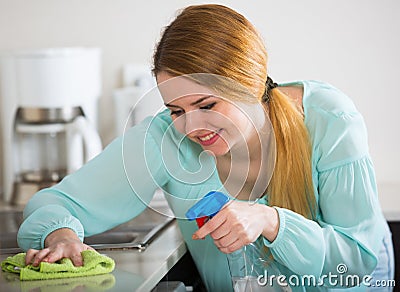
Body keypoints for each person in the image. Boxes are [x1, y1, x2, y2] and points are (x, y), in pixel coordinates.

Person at [17, 4, 394, 291]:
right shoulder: (165, 140)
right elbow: (55, 203)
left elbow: (355, 260)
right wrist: (62, 237)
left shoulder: (329, 121)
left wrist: (271, 221)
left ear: (250, 85)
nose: (191, 127)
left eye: (207, 105)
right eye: (177, 110)